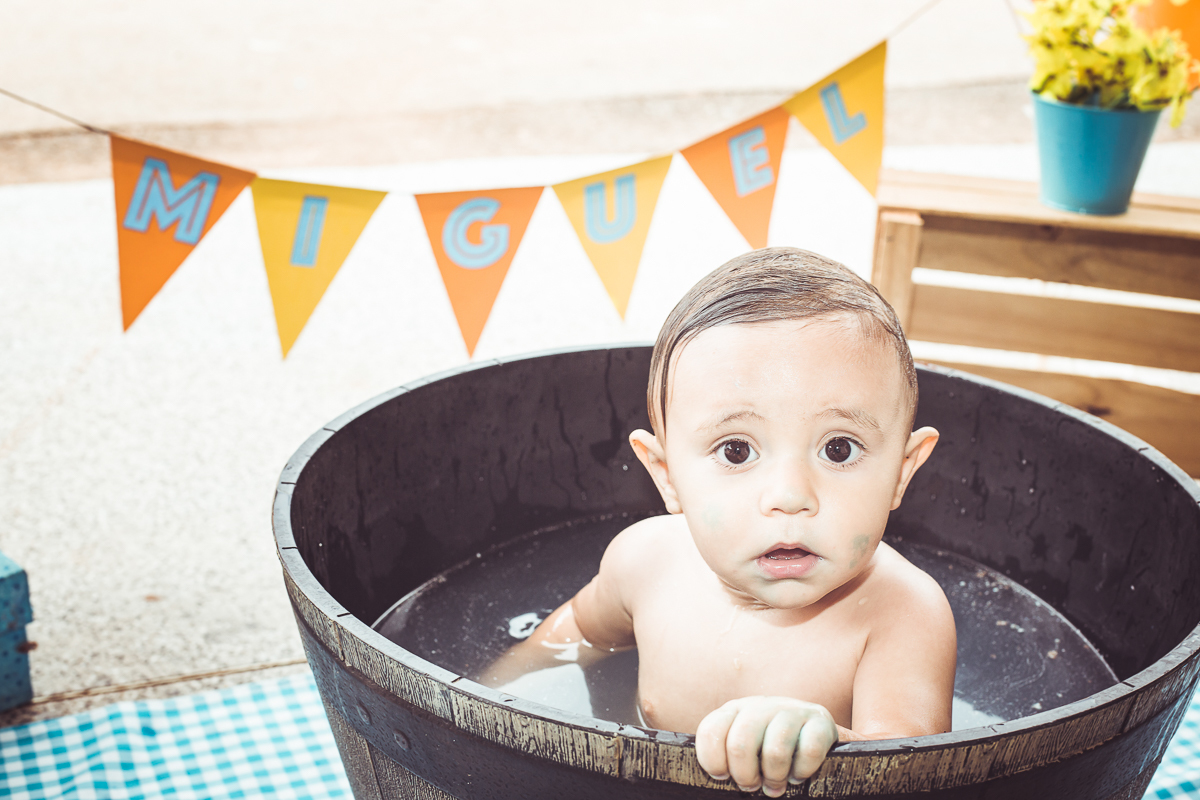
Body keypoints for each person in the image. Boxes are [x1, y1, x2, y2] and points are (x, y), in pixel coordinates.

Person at [482, 247, 956, 797]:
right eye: (736, 451)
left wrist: (830, 747)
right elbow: (571, 638)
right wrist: (486, 690)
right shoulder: (645, 563)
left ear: (902, 471)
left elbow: (918, 778)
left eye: (839, 448)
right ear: (666, 475)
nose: (789, 497)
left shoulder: (901, 614)